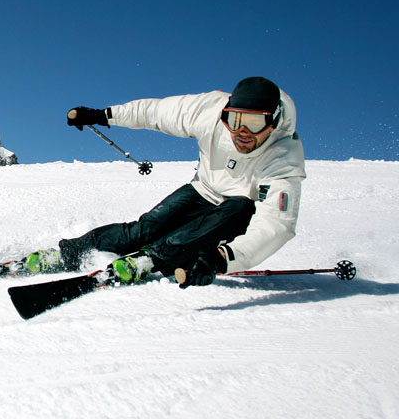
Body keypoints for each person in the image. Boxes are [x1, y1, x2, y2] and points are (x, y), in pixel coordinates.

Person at [43, 76, 305, 289]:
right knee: (142, 230)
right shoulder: (209, 111)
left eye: (254, 123)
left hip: (236, 211)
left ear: (274, 120)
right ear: (225, 113)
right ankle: (74, 250)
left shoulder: (283, 157)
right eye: (235, 120)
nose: (242, 132)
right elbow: (155, 112)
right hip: (202, 190)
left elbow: (276, 225)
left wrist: (222, 259)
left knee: (231, 213)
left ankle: (151, 260)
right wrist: (103, 115)